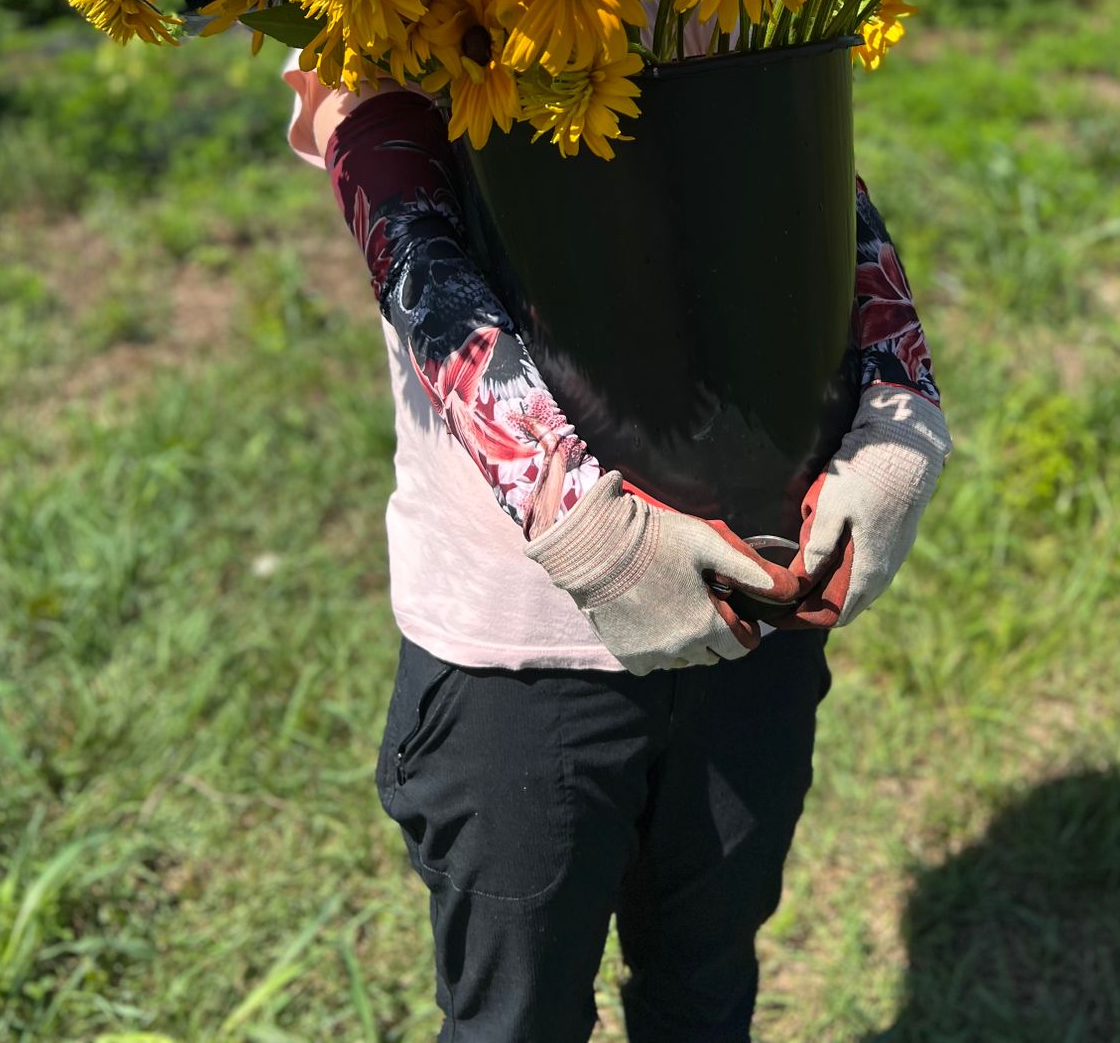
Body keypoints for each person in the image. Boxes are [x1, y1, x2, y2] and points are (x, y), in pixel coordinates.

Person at [284, 51, 951, 1042]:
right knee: (517, 1019)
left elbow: (807, 172)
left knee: (705, 982)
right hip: (523, 655)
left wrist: (902, 417)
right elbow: (406, 221)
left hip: (754, 602)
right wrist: (586, 527)